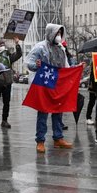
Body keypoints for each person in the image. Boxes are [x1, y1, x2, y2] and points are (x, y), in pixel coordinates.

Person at [25, 23, 75, 153]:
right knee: (43, 112)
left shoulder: (61, 48)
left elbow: (66, 65)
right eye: (56, 33)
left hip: (58, 83)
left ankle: (58, 138)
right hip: (45, 82)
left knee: (58, 111)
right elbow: (29, 62)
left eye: (60, 33)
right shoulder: (40, 47)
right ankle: (40, 140)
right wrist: (36, 65)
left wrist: (75, 70)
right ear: (50, 33)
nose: (58, 36)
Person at [0, 38, 23, 129]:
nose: (2, 46)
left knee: (6, 102)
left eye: (3, 45)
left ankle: (4, 120)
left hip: (7, 83)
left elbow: (18, 54)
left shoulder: (8, 56)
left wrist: (17, 44)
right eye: (0, 45)